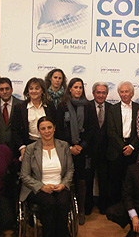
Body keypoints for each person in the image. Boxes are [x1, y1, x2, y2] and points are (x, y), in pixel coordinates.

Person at [20, 116, 74, 237]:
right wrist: (41, 187)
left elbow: (70, 170)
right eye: (43, 128)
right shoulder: (31, 149)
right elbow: (24, 175)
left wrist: (63, 184)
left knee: (62, 203)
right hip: (38, 188)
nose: (47, 131)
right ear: (39, 131)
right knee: (49, 203)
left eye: (49, 127)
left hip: (60, 185)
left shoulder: (64, 146)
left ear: (54, 128)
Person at [55, 78, 90, 224]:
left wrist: (81, 146)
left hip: (82, 151)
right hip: (65, 150)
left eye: (80, 87)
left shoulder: (88, 106)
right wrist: (69, 147)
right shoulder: (62, 106)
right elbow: (58, 130)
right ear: (69, 89)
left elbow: (91, 129)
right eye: (75, 87)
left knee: (81, 180)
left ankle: (81, 211)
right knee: (65, 179)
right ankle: (66, 209)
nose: (78, 90)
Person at [107, 81, 139, 205]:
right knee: (115, 180)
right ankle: (115, 207)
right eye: (122, 91)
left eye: (127, 91)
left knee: (131, 181)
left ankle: (129, 207)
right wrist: (123, 147)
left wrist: (131, 146)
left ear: (132, 93)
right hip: (116, 150)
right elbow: (110, 131)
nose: (124, 94)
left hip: (133, 149)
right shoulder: (112, 109)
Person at [11, 77, 56, 159]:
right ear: (27, 91)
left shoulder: (50, 106)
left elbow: (55, 126)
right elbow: (15, 130)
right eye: (31, 88)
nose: (34, 91)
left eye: (37, 88)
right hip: (28, 144)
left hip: (47, 144)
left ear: (42, 90)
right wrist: (22, 147)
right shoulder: (20, 107)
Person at [87, 82, 112, 214]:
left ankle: (103, 206)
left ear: (107, 94)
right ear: (93, 93)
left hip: (106, 151)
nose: (101, 95)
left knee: (104, 180)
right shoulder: (86, 106)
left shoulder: (112, 108)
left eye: (103, 93)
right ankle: (88, 206)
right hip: (89, 151)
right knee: (88, 179)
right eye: (98, 92)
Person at [0, 77, 22, 152]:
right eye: (1, 89)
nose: (5, 92)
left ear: (12, 89)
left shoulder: (21, 105)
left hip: (17, 147)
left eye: (7, 89)